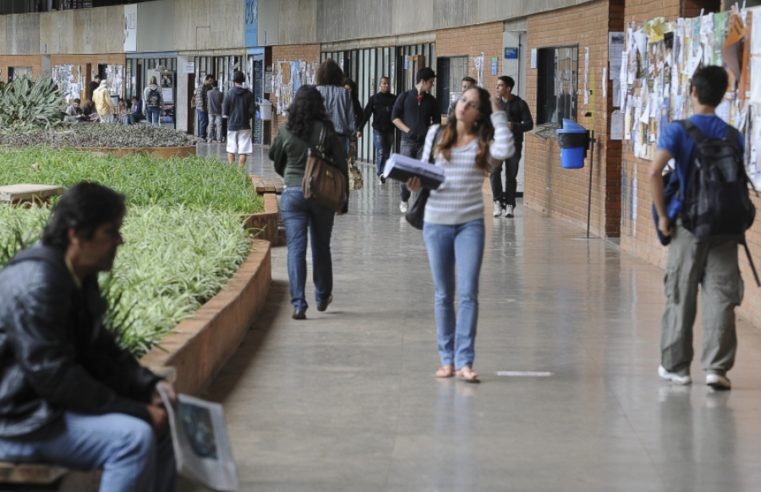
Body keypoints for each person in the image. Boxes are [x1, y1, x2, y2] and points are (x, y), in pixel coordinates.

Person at [0, 182, 177, 492]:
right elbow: (54, 376)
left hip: (43, 409)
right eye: (111, 231)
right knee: (132, 438)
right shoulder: (38, 284)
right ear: (76, 234)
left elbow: (102, 350)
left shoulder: (79, 273)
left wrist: (149, 386)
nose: (120, 241)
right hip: (18, 421)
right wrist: (136, 410)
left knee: (167, 422)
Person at [406, 87, 513, 383]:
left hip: (470, 224)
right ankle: (446, 360)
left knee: (467, 293)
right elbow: (423, 172)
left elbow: (506, 150)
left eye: (472, 104)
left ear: (480, 114)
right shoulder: (436, 134)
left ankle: (465, 361)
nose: (463, 106)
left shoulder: (484, 142)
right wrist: (415, 185)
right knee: (443, 293)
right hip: (436, 221)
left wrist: (498, 111)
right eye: (463, 100)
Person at [648, 66, 745, 391]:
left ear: (692, 91)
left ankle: (676, 367)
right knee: (721, 296)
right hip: (726, 226)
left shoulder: (678, 131)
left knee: (681, 292)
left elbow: (653, 173)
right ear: (722, 95)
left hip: (688, 225)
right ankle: (717, 369)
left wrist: (663, 216)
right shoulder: (733, 135)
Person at [268, 85, 348, 320]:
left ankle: (298, 304)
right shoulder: (326, 130)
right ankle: (322, 296)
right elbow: (341, 164)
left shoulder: (285, 130)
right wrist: (343, 197)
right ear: (319, 105)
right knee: (321, 246)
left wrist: (289, 171)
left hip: (292, 194)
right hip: (321, 194)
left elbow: (274, 156)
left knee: (296, 248)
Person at [392, 67, 438, 213]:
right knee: (406, 173)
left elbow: (436, 122)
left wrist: (430, 133)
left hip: (424, 143)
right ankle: (404, 198)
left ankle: (418, 206)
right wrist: (408, 131)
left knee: (421, 173)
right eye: (431, 82)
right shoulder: (404, 96)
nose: (432, 85)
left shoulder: (431, 101)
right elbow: (394, 117)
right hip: (407, 141)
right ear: (423, 81)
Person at [489, 75, 533, 218]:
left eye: (500, 85)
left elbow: (529, 125)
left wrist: (512, 125)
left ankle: (509, 205)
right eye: (497, 85)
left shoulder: (520, 104)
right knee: (494, 171)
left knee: (510, 175)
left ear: (508, 88)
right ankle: (497, 201)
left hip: (514, 144)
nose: (497, 87)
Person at [315, 59, 355, 155]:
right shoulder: (344, 93)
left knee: (321, 167)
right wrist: (353, 140)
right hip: (340, 138)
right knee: (338, 168)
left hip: (320, 136)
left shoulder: (316, 91)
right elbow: (350, 118)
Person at [362, 76, 397, 183]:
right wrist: (360, 128)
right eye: (384, 83)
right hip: (378, 129)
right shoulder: (374, 99)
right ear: (380, 85)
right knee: (381, 151)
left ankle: (384, 171)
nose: (386, 85)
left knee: (387, 152)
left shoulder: (394, 98)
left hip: (390, 129)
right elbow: (366, 113)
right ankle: (381, 172)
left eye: (388, 84)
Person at [222, 70, 255, 167]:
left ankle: (232, 170)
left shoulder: (228, 93)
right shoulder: (249, 94)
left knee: (231, 148)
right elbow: (252, 111)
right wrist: (246, 117)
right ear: (243, 80)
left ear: (233, 80)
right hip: (245, 125)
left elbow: (225, 112)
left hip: (232, 124)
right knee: (243, 150)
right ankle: (240, 171)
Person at [193, 75, 213, 139]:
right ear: (206, 80)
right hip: (200, 107)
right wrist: (202, 108)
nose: (211, 82)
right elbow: (199, 97)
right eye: (210, 81)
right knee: (203, 121)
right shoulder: (201, 87)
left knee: (205, 121)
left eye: (211, 81)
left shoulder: (210, 87)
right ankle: (202, 136)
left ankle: (203, 134)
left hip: (206, 108)